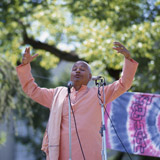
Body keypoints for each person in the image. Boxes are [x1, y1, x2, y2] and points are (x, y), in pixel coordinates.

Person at [16, 42, 138, 160]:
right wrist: (25, 66)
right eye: (75, 69)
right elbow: (32, 90)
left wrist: (127, 59)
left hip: (90, 153)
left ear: (90, 77)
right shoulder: (57, 94)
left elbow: (123, 84)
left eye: (82, 69)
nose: (78, 70)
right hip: (61, 153)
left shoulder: (99, 93)